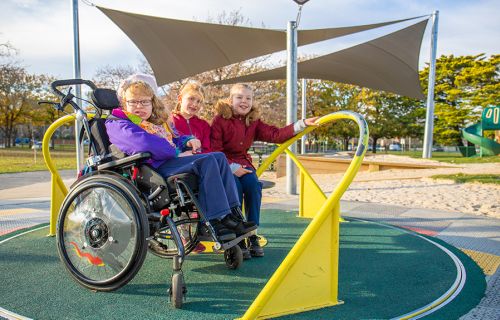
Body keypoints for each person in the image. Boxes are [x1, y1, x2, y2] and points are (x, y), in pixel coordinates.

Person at [106, 74, 256, 243]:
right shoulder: (118, 122)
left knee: (219, 157)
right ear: (124, 103)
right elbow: (146, 144)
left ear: (151, 103)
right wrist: (177, 152)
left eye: (145, 102)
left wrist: (186, 140)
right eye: (134, 102)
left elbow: (171, 139)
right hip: (151, 169)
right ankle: (215, 220)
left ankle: (232, 215)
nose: (139, 106)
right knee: (207, 162)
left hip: (166, 162)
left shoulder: (151, 123)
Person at [211, 83, 319, 257]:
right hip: (225, 165)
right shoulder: (220, 120)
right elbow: (215, 150)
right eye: (239, 97)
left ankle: (252, 234)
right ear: (230, 100)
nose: (244, 102)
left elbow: (275, 134)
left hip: (244, 165)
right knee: (235, 190)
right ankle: (239, 237)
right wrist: (231, 167)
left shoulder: (253, 122)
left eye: (248, 98)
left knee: (253, 186)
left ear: (252, 102)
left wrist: (302, 124)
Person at [172, 82, 211, 153]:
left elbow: (207, 149)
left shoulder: (204, 125)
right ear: (180, 99)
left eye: (199, 101)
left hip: (200, 160)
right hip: (179, 160)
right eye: (191, 98)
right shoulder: (170, 120)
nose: (195, 104)